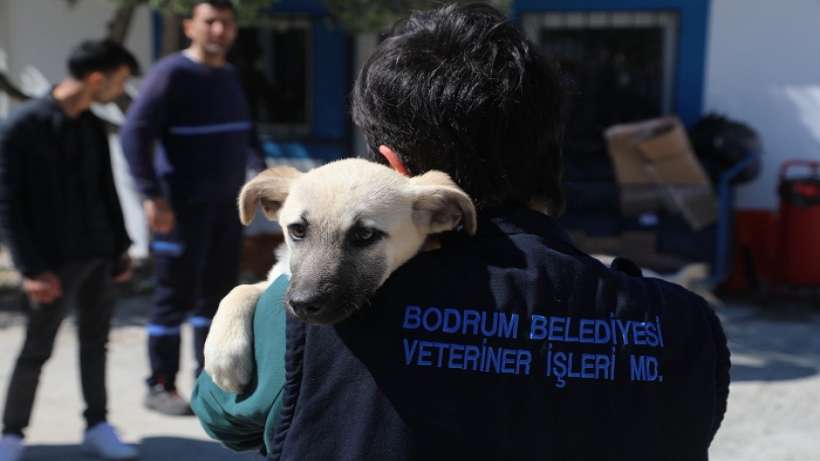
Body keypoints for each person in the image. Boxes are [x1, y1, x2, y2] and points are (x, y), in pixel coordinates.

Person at [191, 4, 731, 461]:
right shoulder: (684, 327)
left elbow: (222, 413)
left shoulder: (301, 314)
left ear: (391, 166)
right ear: (550, 149)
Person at [120, 0, 263, 416]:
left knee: (217, 299)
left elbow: (246, 135)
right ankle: (159, 384)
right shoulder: (171, 74)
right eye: (210, 22)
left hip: (225, 210)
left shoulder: (230, 76)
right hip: (179, 211)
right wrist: (152, 195)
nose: (219, 30)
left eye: (226, 23)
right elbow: (134, 136)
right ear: (190, 27)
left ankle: (211, 380)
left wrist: (261, 174)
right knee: (173, 297)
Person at [0, 39, 140, 461]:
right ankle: (11, 434)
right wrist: (29, 268)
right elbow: (7, 204)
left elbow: (107, 191)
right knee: (37, 349)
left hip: (97, 255)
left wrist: (121, 247)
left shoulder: (92, 126)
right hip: (49, 264)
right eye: (119, 82)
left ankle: (97, 424)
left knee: (95, 343)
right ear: (97, 77)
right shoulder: (22, 126)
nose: (120, 92)